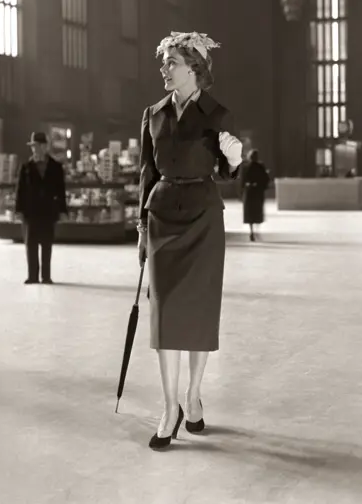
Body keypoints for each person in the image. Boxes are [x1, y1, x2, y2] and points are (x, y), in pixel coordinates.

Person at [137, 31, 243, 450]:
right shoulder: (153, 114)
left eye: (171, 62)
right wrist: (142, 230)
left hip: (203, 216)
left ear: (194, 68)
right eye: (163, 62)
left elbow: (227, 170)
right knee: (163, 311)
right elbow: (146, 173)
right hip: (162, 215)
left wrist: (234, 160)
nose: (164, 69)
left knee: (198, 311)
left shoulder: (217, 114)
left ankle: (193, 396)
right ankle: (169, 408)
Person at [15, 132, 68, 284]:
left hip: (48, 211)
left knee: (46, 244)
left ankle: (46, 276)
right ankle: (32, 276)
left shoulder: (56, 167)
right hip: (30, 212)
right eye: (33, 147)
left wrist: (63, 210)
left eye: (37, 146)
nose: (34, 150)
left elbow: (61, 191)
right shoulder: (26, 167)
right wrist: (18, 210)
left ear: (45, 147)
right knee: (31, 244)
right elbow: (20, 190)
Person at [241, 149, 270, 241]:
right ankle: (255, 231)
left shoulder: (246, 167)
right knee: (256, 212)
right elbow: (266, 179)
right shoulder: (260, 167)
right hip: (257, 192)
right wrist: (261, 187)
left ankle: (252, 231)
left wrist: (243, 190)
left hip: (249, 192)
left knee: (250, 213)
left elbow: (242, 181)